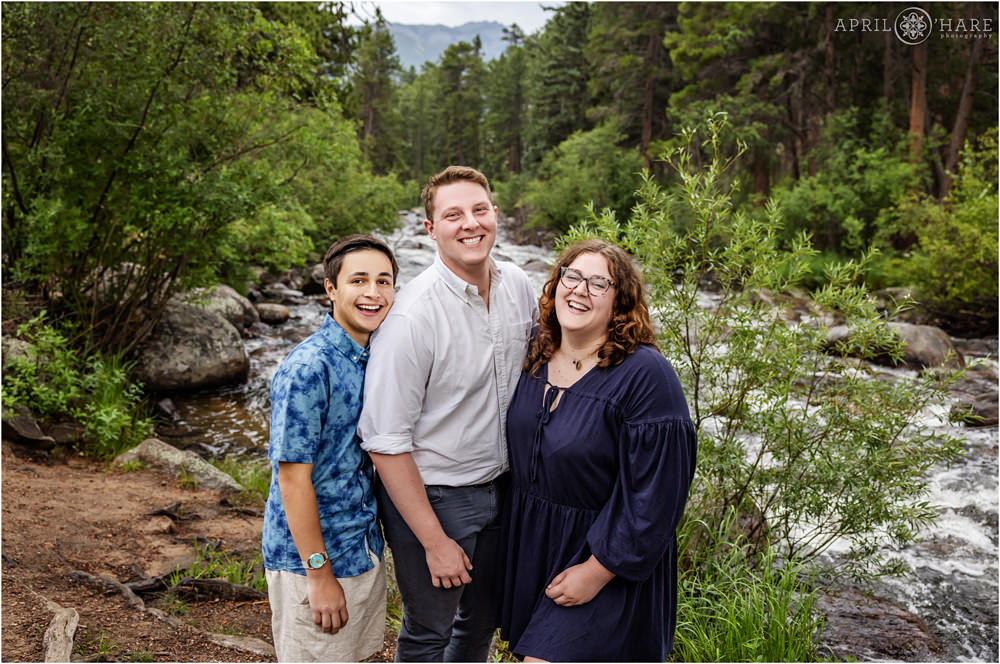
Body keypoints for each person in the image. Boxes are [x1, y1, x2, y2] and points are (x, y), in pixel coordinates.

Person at [359, 166, 538, 661]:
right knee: (429, 631)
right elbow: (384, 441)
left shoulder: (518, 286)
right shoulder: (413, 317)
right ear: (430, 228)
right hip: (436, 497)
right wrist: (434, 542)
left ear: (495, 214)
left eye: (479, 210)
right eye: (453, 214)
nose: (470, 224)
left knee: (481, 623)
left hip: (504, 488)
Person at [498, 239, 698, 662]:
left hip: (607, 555)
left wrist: (597, 570)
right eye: (572, 276)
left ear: (620, 303)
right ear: (555, 286)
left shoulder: (646, 375)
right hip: (537, 544)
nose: (579, 290)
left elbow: (659, 495)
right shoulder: (535, 350)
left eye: (598, 283)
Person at [261, 233, 398, 662]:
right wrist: (319, 576)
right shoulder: (308, 368)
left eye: (384, 281)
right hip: (315, 562)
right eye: (359, 280)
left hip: (361, 550)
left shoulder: (374, 355)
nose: (373, 293)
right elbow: (292, 479)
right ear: (331, 288)